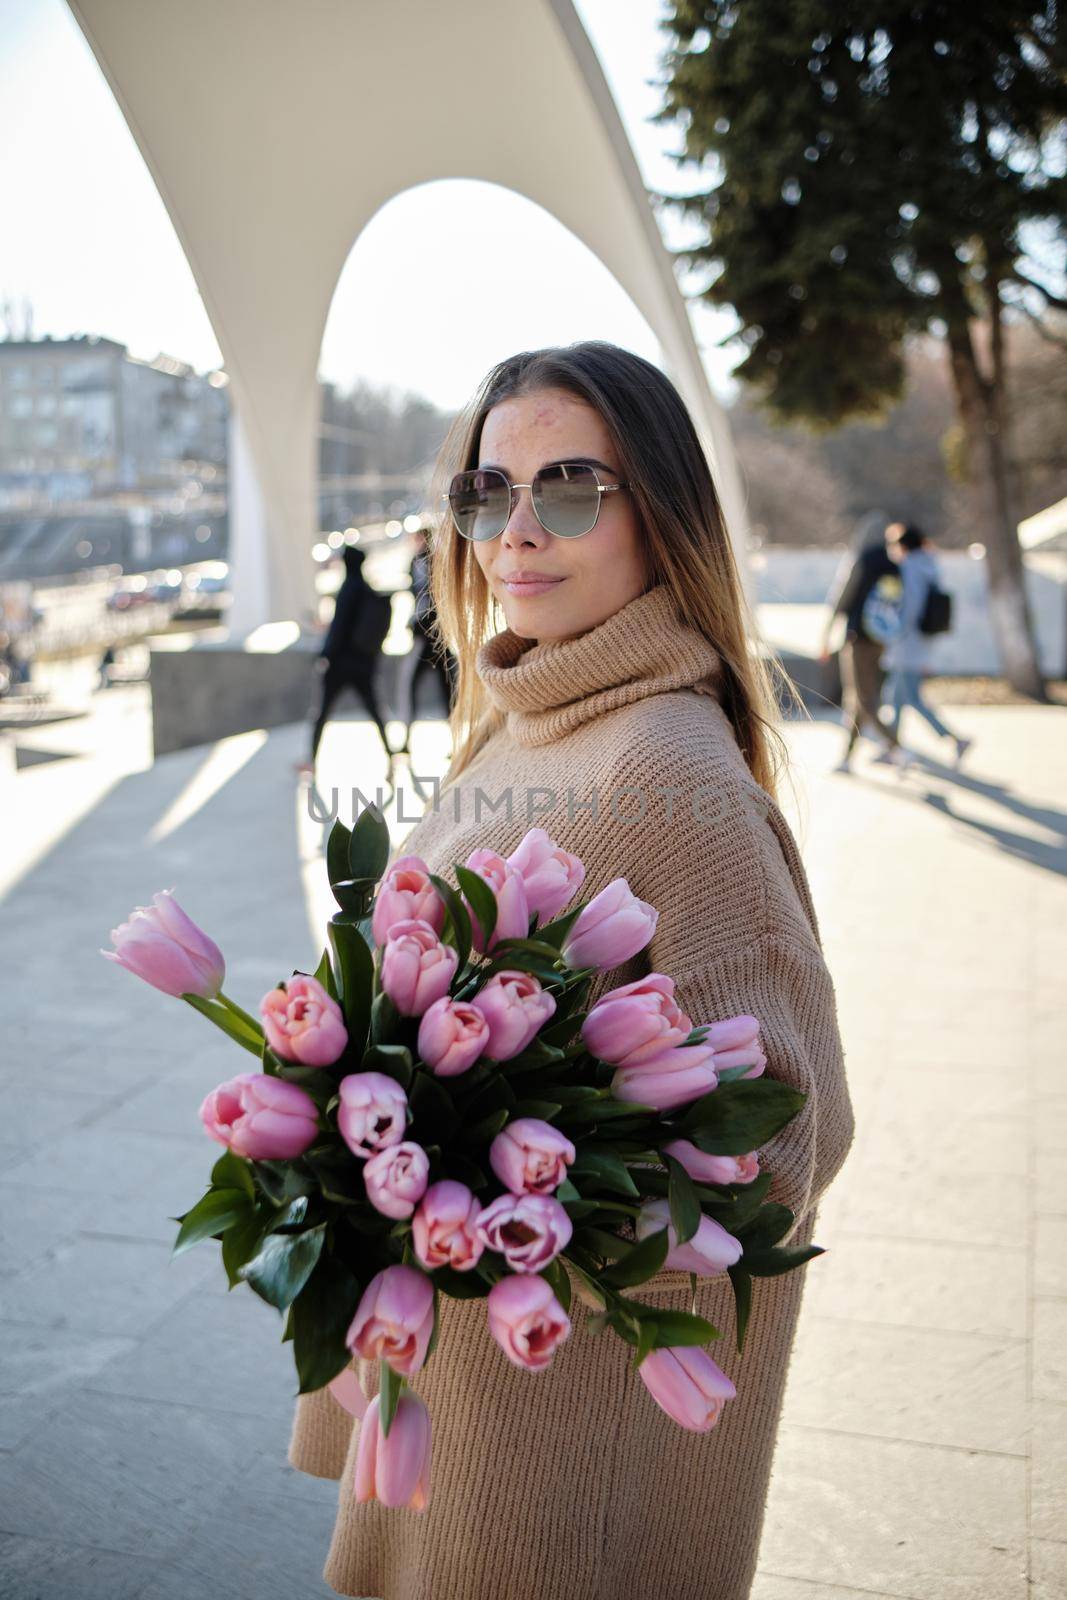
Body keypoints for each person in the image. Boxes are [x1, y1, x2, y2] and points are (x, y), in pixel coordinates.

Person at [288, 341, 855, 1600]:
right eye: (488, 492)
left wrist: (512, 1200)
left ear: (659, 513)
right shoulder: (528, 715)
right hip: (465, 1396)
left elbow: (789, 1144)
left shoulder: (668, 770)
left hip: (559, 1457)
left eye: (573, 486)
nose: (518, 530)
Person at [819, 515, 909, 773]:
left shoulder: (863, 560)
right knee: (858, 699)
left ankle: (897, 747)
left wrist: (826, 635)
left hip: (858, 638)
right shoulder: (894, 565)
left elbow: (844, 599)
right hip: (880, 640)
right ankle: (847, 757)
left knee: (862, 697)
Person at [881, 523, 972, 765]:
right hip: (922, 640)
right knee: (897, 696)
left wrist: (894, 631)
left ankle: (955, 739)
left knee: (909, 697)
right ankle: (893, 746)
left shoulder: (911, 567)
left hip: (908, 641)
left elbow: (910, 605)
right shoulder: (930, 564)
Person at [300, 544, 394, 777]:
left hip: (341, 664)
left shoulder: (348, 589)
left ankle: (311, 761)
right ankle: (390, 755)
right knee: (375, 711)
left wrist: (325, 656)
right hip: (363, 664)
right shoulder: (365, 589)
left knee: (322, 713)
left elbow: (338, 629)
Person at [394, 526, 457, 756]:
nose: (415, 541)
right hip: (423, 635)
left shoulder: (435, 562)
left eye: (417, 537)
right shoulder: (415, 562)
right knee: (413, 688)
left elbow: (438, 597)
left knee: (447, 691)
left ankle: (456, 740)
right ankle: (406, 740)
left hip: (435, 637)